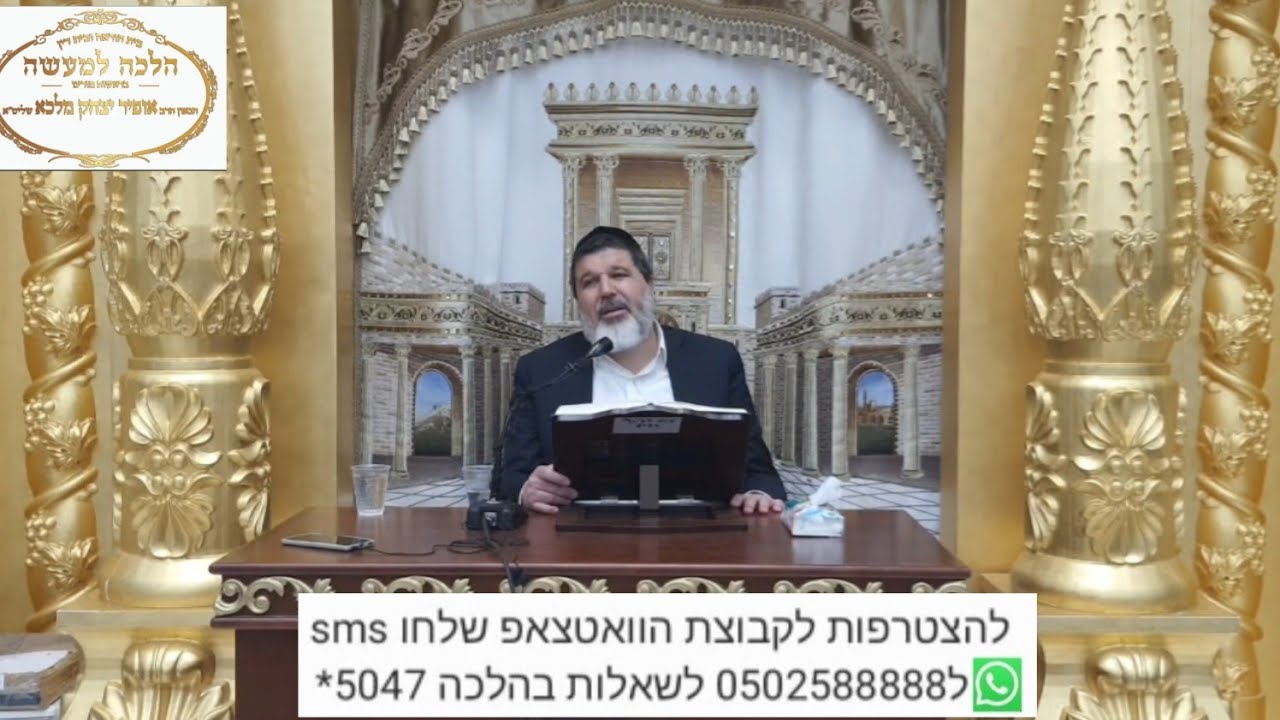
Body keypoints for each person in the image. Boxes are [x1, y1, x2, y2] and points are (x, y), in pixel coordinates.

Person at [494, 225, 786, 514]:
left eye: (619, 275)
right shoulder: (542, 371)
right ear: (579, 302)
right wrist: (527, 489)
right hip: (576, 536)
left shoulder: (716, 361)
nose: (606, 290)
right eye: (589, 282)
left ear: (649, 284)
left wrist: (758, 495)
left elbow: (758, 472)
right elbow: (509, 479)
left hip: (701, 534)